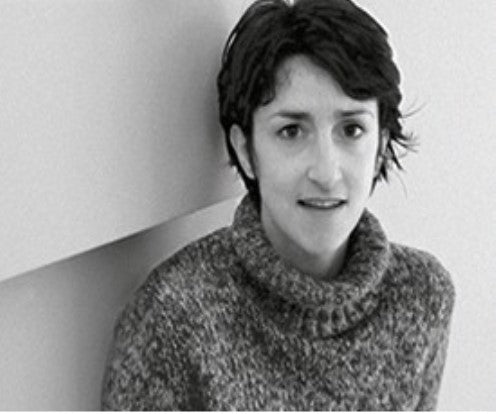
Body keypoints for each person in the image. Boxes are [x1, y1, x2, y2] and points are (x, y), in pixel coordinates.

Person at [101, 0, 455, 410]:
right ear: (245, 150)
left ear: (380, 147)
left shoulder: (422, 295)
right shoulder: (174, 317)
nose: (326, 172)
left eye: (352, 129)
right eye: (291, 131)